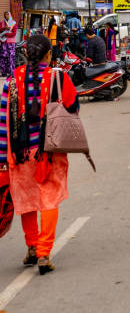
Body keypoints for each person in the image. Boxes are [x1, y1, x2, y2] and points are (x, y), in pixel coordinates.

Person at [0, 34, 79, 275]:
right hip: (49, 153)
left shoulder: (12, 80)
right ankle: (44, 252)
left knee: (27, 201)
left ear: (26, 54)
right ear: (48, 54)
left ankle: (32, 247)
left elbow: (3, 120)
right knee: (48, 199)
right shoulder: (58, 77)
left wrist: (3, 158)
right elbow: (73, 107)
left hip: (20, 153)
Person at [0, 11, 18, 77]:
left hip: (11, 43)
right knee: (3, 58)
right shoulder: (2, 23)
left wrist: (5, 34)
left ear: (10, 15)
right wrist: (4, 28)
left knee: (11, 58)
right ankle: (3, 73)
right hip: (4, 43)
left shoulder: (13, 23)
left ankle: (11, 73)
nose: (6, 15)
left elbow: (14, 33)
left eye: (7, 14)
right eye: (5, 14)